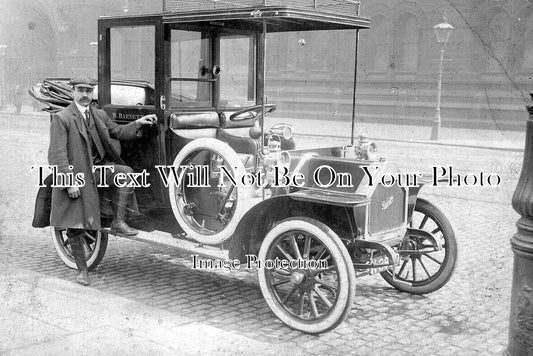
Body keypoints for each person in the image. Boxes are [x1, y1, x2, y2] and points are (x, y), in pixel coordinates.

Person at [48, 75, 157, 286]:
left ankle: (118, 221)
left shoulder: (98, 114)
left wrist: (138, 122)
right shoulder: (62, 118)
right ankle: (82, 270)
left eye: (88, 91)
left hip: (98, 170)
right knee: (76, 224)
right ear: (72, 92)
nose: (85, 95)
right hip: (78, 175)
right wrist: (69, 182)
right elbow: (57, 156)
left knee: (125, 172)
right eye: (80, 90)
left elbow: (117, 131)